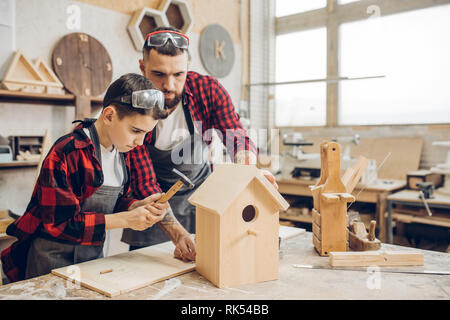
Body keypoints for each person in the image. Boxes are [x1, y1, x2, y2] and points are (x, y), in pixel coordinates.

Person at [0, 73, 178, 283]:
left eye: (146, 133)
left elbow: (112, 201)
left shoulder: (120, 150)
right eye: (136, 131)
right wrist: (125, 220)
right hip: (50, 261)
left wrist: (134, 206)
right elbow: (59, 223)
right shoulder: (66, 152)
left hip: (91, 260)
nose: (139, 142)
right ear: (109, 116)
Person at [121, 27, 278, 255]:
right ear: (142, 68)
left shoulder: (207, 90)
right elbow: (144, 182)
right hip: (152, 206)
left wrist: (247, 170)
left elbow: (236, 136)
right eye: (159, 75)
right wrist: (177, 234)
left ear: (187, 68)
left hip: (202, 200)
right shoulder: (132, 104)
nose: (169, 86)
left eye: (178, 75)